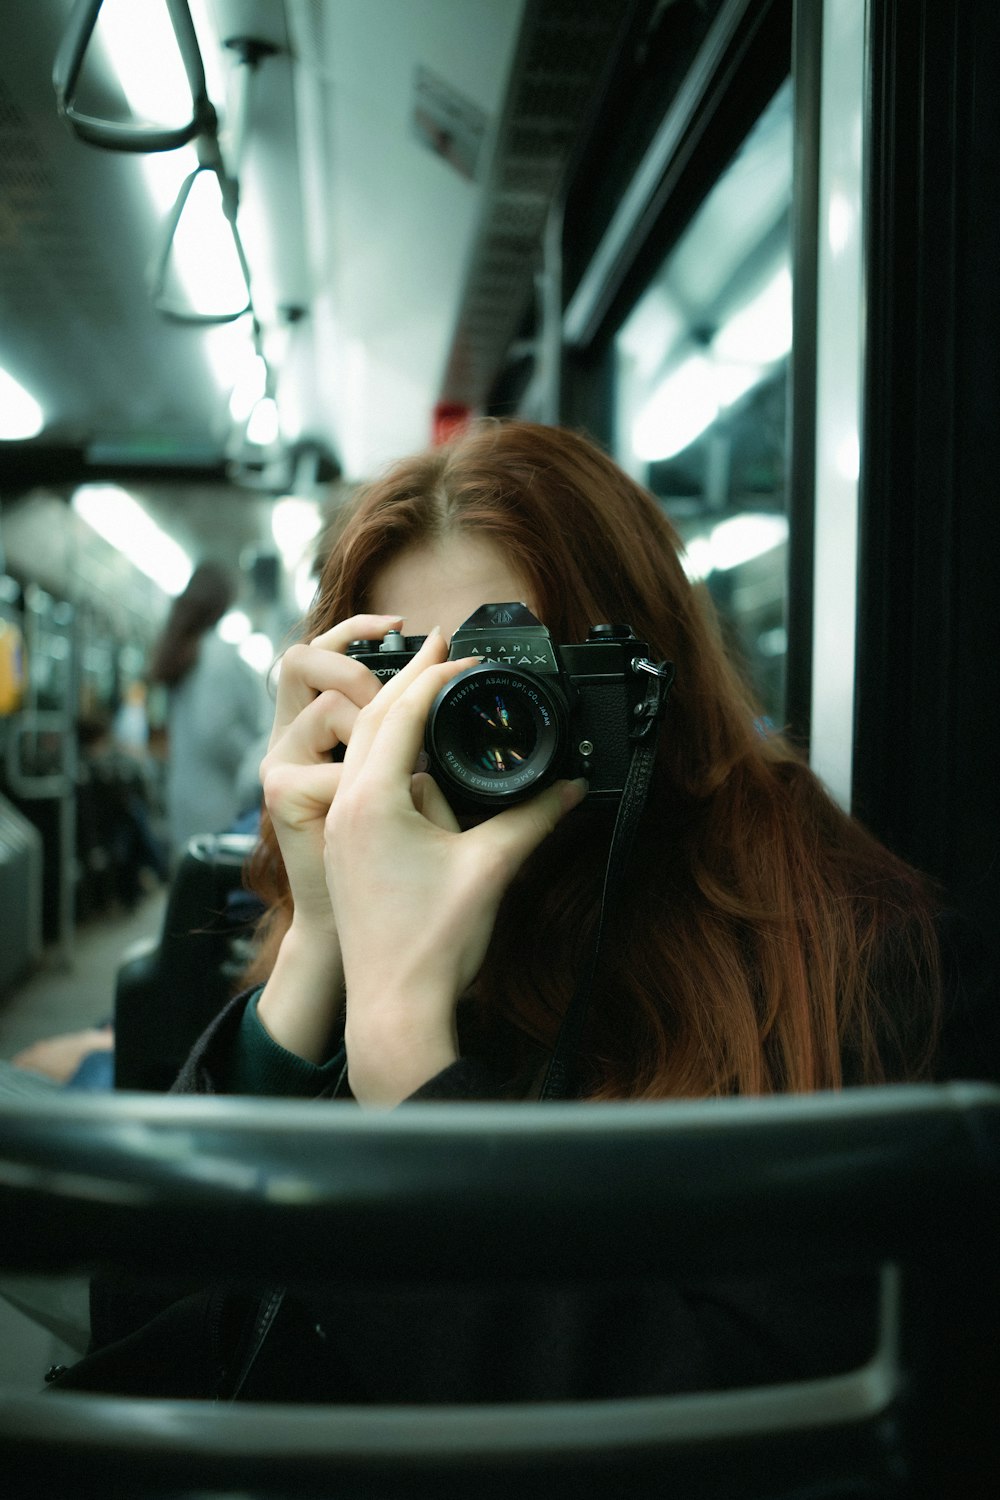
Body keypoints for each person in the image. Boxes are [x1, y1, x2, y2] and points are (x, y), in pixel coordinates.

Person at [47, 419, 996, 1401]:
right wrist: (318, 944)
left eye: (517, 683)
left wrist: (404, 1050)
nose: (482, 733)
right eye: (422, 692)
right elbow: (151, 1348)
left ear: (639, 687)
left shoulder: (854, 963)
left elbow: (725, 1435)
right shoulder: (358, 914)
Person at [149, 561, 271, 860]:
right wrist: (256, 764)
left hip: (185, 794)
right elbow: (216, 731)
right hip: (220, 800)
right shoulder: (217, 655)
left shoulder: (182, 653)